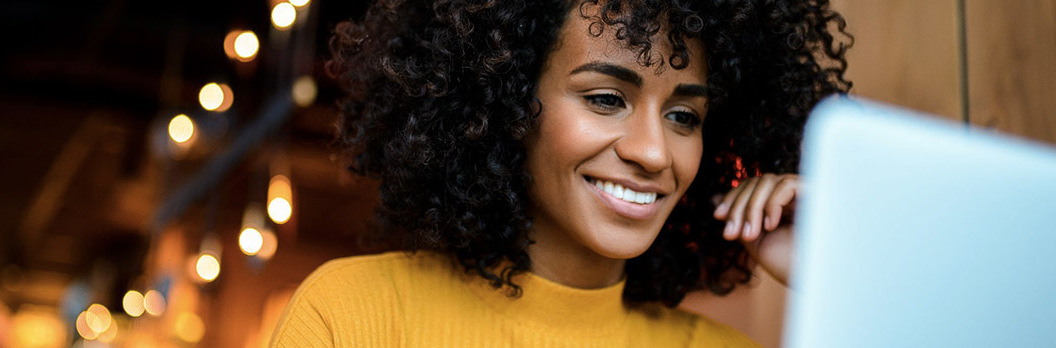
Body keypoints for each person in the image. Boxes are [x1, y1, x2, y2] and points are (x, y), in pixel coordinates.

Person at [270, 0, 850, 346]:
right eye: (605, 99)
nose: (653, 153)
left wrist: (838, 281)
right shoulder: (353, 318)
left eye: (682, 115)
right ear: (506, 102)